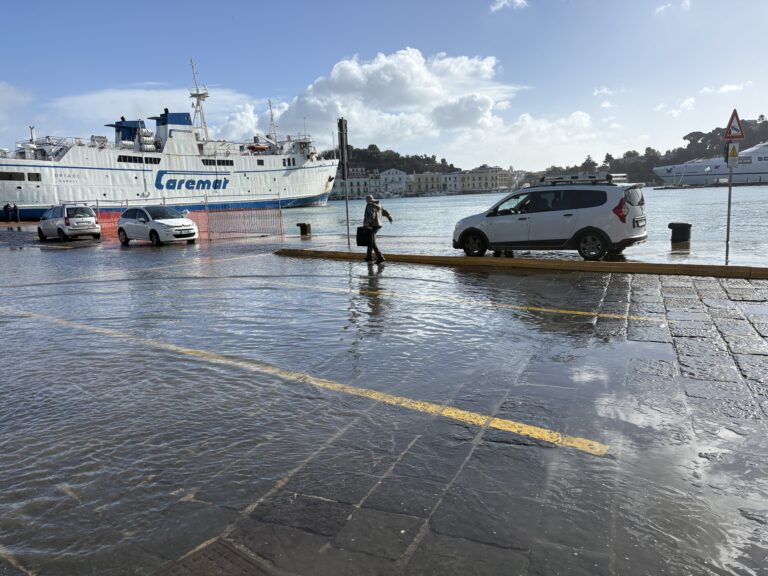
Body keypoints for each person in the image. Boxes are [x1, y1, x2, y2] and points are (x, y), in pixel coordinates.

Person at [362, 194, 393, 263]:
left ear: (367, 200)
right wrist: (389, 217)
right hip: (378, 225)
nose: (366, 201)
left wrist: (366, 223)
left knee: (372, 242)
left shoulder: (370, 205)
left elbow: (372, 215)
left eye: (366, 199)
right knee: (370, 241)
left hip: (372, 225)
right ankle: (369, 257)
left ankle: (380, 257)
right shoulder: (378, 204)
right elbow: (384, 211)